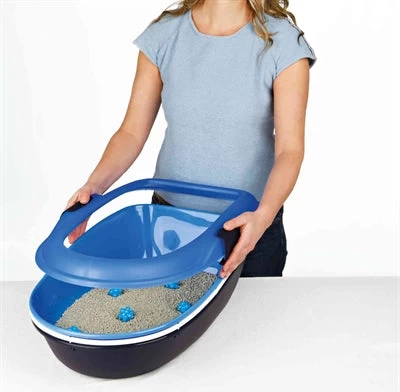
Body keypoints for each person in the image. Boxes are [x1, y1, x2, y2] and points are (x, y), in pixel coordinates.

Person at [65, 0, 317, 279]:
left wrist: (263, 216)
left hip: (249, 229)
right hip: (168, 226)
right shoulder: (165, 34)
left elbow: (289, 150)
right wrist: (93, 187)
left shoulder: (283, 43)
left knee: (252, 309)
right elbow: (131, 133)